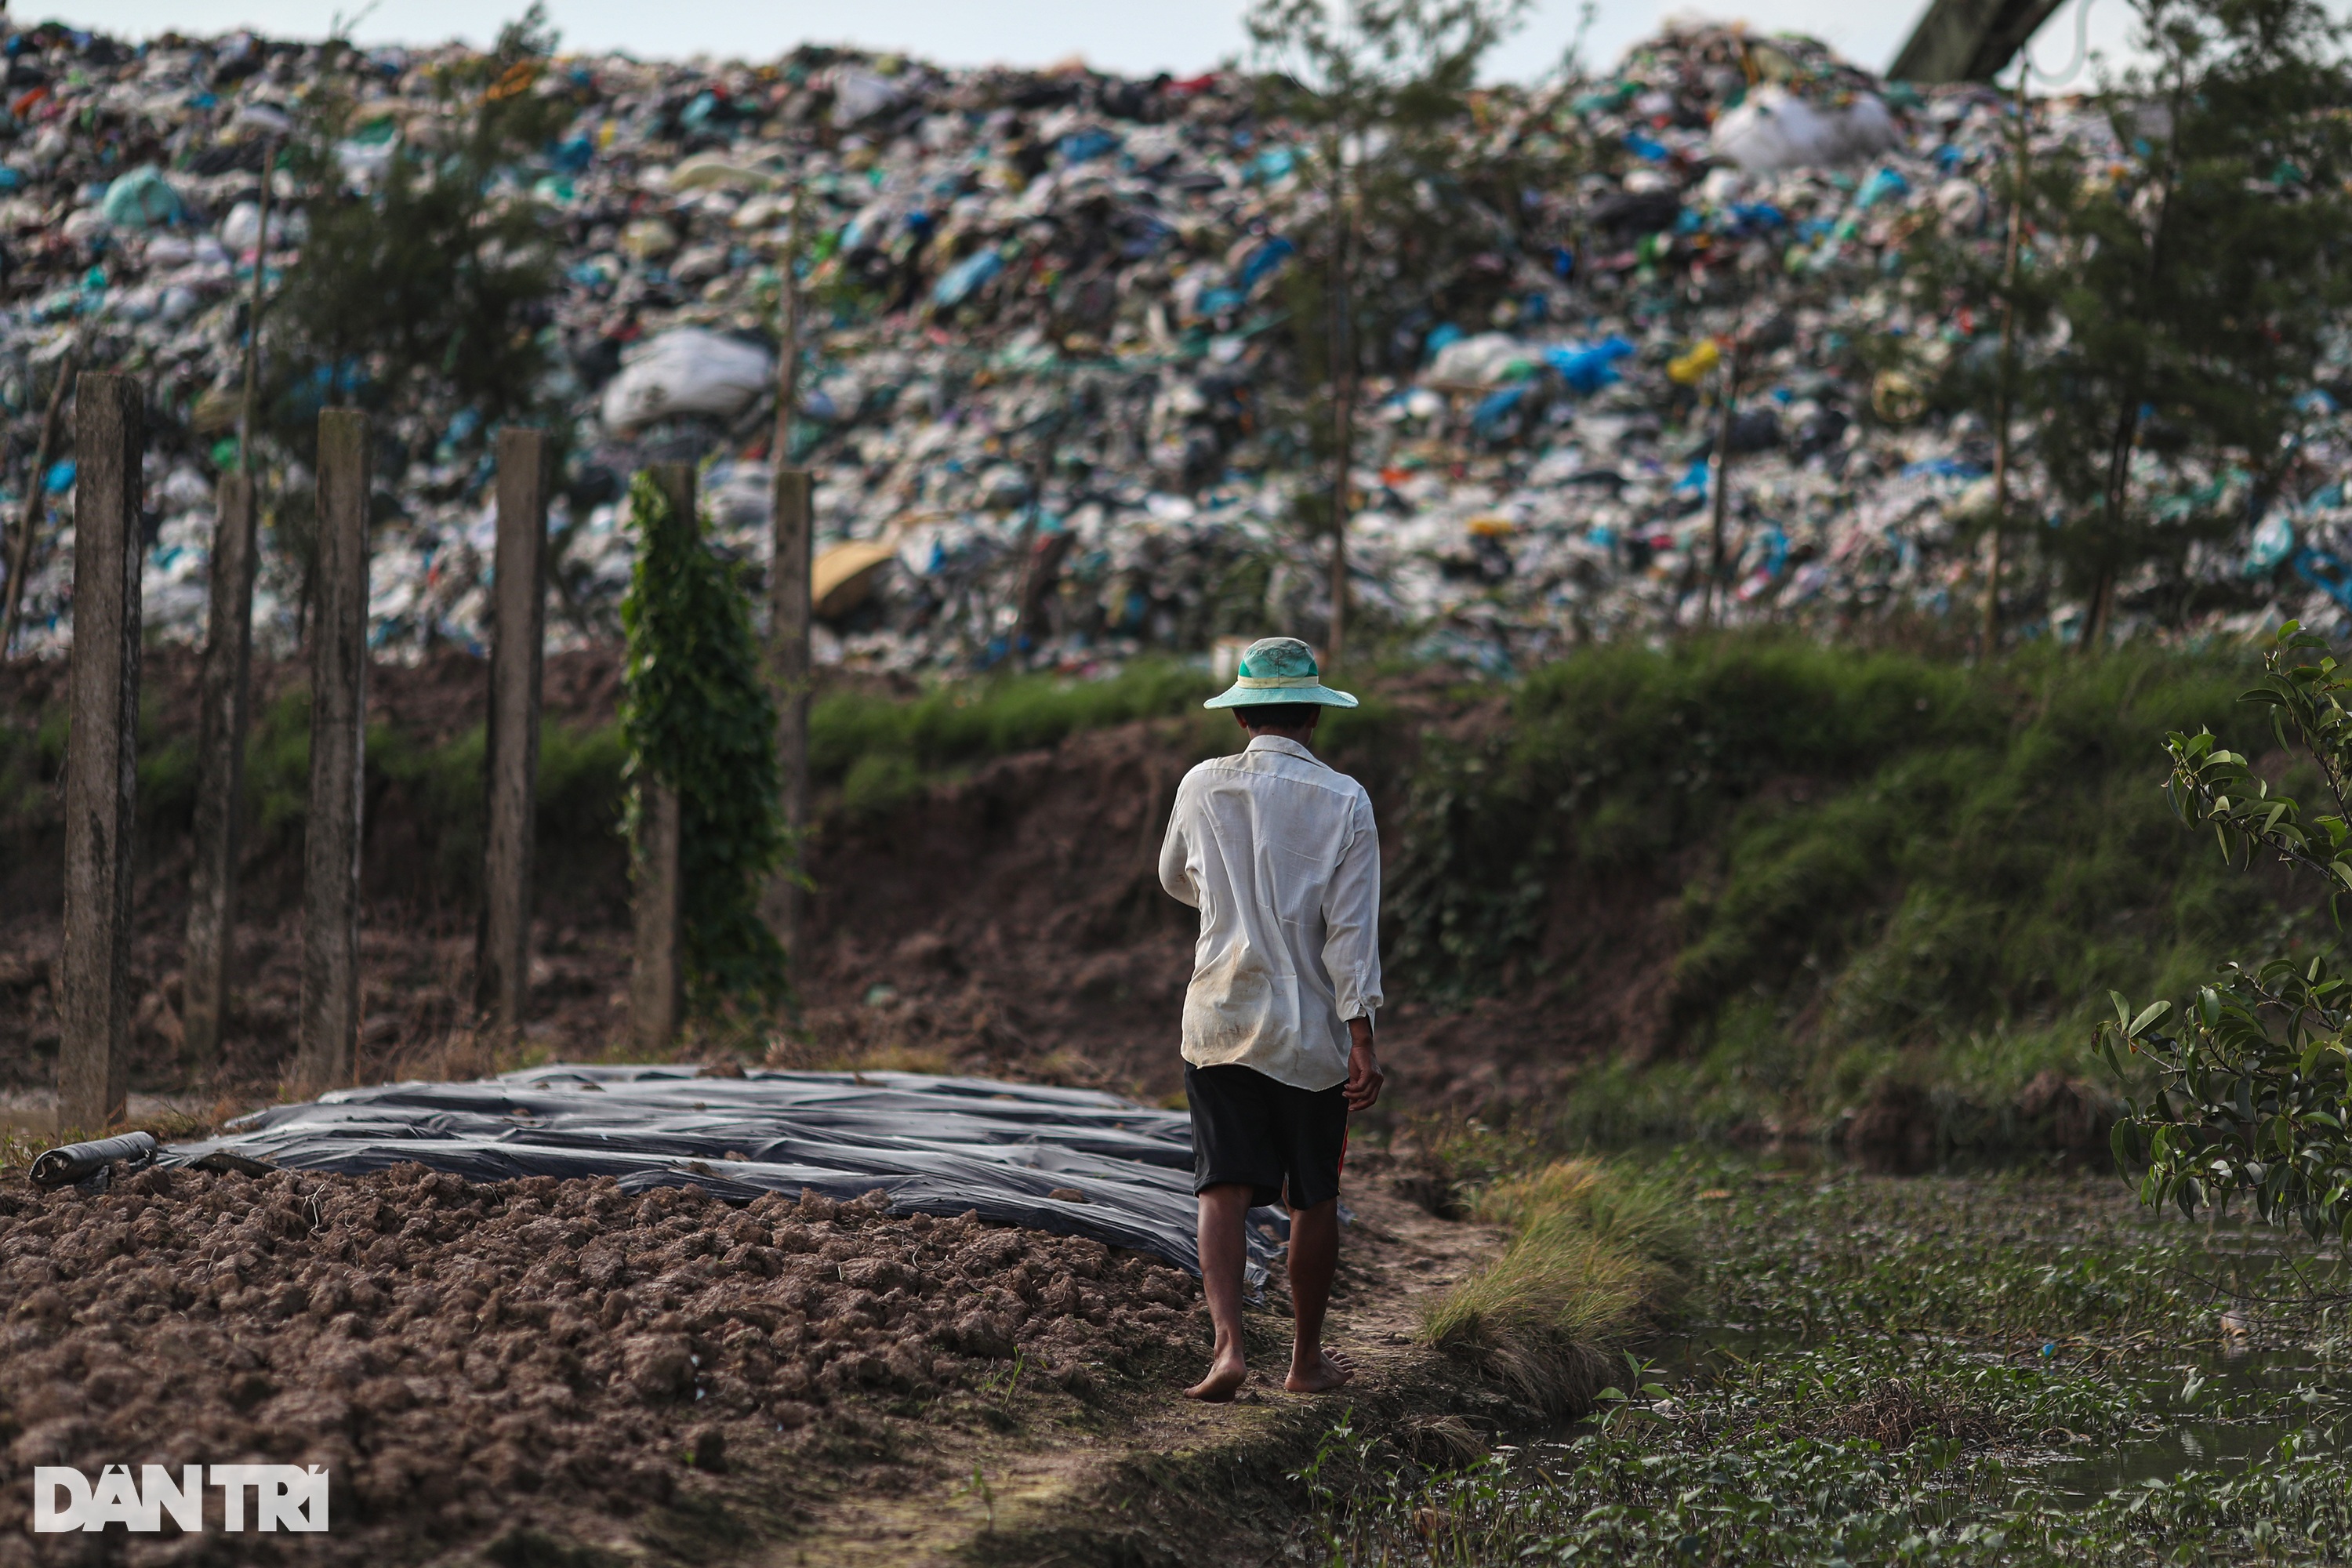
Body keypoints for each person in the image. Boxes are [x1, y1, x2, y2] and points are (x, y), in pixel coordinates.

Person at [1157, 637, 1384, 1402]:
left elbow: (1172, 876)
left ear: (1244, 711)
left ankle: (1227, 1349)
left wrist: (1229, 909)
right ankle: (1305, 1360)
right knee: (1312, 1194)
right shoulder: (1345, 799)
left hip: (1219, 1013)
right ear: (1312, 717)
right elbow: (1351, 931)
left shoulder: (1201, 785)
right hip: (1310, 1028)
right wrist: (1362, 1032)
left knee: (1220, 1187)